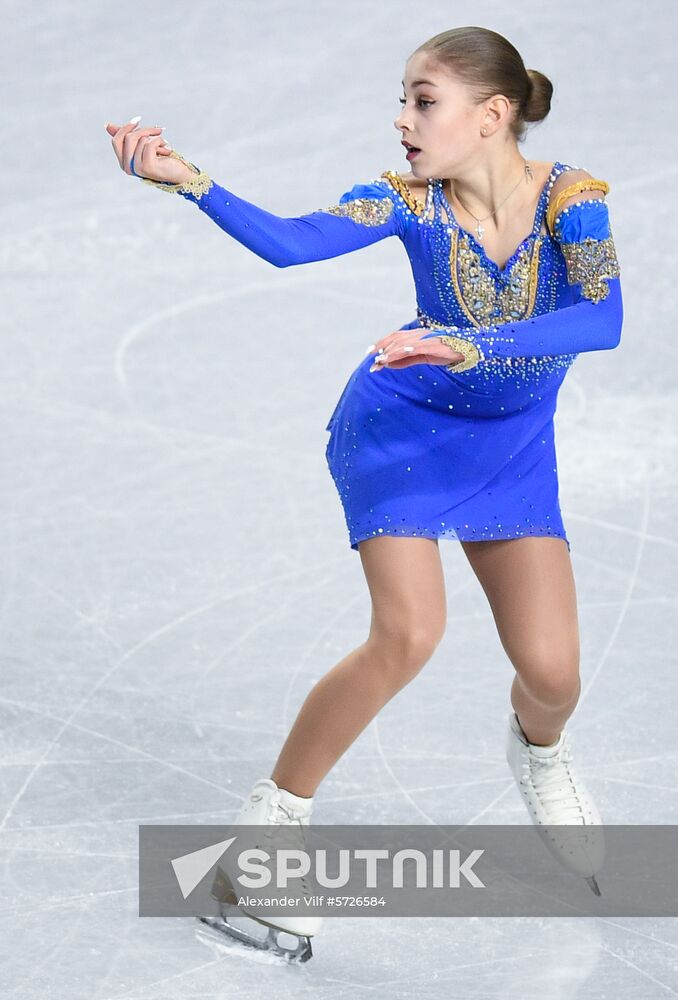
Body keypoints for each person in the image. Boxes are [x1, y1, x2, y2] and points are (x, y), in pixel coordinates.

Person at [106, 25, 622, 960]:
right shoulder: (405, 201)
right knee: (409, 632)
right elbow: (295, 244)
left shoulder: (571, 204)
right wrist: (193, 183)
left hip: (509, 446)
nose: (402, 120)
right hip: (399, 432)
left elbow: (602, 317)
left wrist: (474, 345)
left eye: (423, 101)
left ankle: (539, 753)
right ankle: (264, 841)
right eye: (404, 98)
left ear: (491, 116)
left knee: (552, 675)